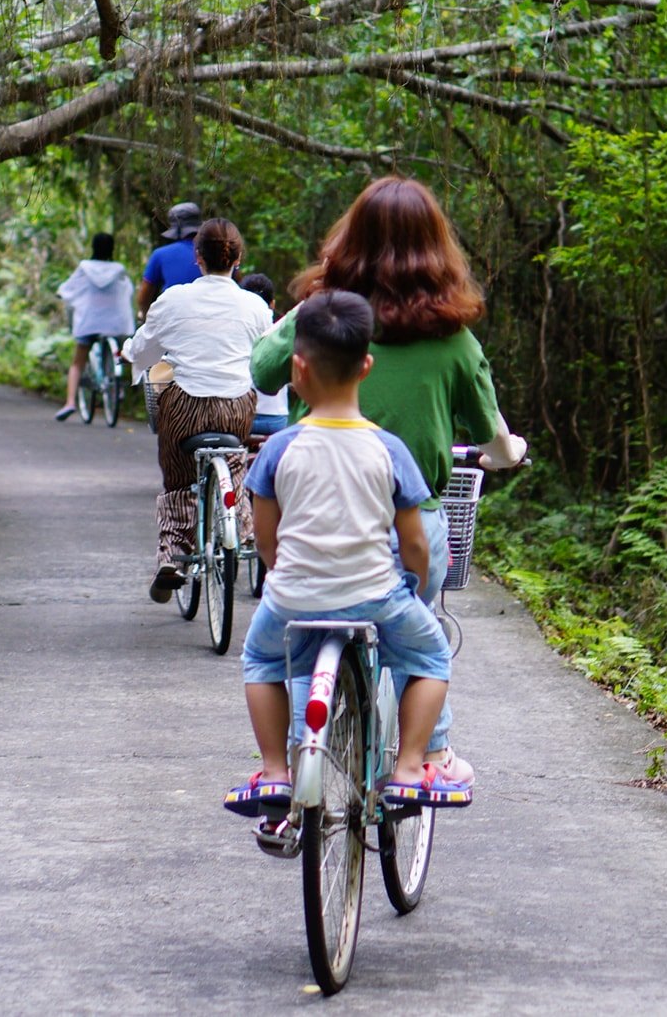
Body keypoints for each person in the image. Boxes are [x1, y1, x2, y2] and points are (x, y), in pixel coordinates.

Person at [249, 176, 526, 769]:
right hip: (406, 528)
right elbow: (488, 434)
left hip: (310, 519)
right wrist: (509, 452)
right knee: (420, 628)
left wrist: (305, 311)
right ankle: (429, 756)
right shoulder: (454, 338)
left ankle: (298, 760)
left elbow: (263, 372)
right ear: (436, 249)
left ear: (349, 239)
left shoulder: (320, 318)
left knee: (295, 641)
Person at [224, 291, 473, 821]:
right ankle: (408, 769)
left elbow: (268, 541)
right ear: (366, 366)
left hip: (293, 598)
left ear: (297, 368)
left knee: (262, 660)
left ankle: (274, 772)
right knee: (430, 656)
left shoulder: (277, 450)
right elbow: (413, 545)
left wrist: (284, 577)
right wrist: (413, 580)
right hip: (374, 597)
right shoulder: (389, 450)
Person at [127, 217, 272, 602]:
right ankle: (240, 524)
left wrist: (131, 353)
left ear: (198, 258)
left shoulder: (174, 300)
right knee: (235, 463)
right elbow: (269, 354)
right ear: (238, 258)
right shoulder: (255, 306)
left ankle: (174, 552)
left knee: (177, 479)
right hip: (236, 408)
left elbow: (143, 351)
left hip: (185, 407)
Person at [54, 233, 135, 421]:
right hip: (114, 323)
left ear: (94, 247)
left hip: (89, 322)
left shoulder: (85, 267)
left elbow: (68, 288)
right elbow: (127, 290)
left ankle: (70, 403)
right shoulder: (118, 269)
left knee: (78, 362)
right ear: (112, 249)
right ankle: (117, 385)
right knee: (120, 352)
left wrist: (62, 294)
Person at [239, 273, 290, 437]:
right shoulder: (283, 328)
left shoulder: (232, 330)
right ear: (273, 304)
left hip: (237, 416)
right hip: (275, 418)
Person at [136, 200, 204, 318]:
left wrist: (149, 320)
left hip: (174, 320)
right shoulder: (218, 252)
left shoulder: (160, 254)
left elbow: (143, 298)